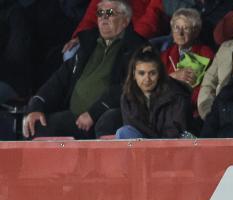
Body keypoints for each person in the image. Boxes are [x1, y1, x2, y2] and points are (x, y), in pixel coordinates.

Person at [23, 0, 147, 139]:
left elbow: (128, 87)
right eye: (100, 13)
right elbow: (58, 81)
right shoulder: (88, 44)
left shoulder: (136, 47)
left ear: (125, 20)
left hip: (106, 114)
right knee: (36, 126)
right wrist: (36, 107)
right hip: (75, 117)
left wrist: (94, 113)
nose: (104, 17)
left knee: (109, 121)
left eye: (110, 13)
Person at [116, 46, 192, 138]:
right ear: (134, 75)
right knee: (124, 132)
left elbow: (175, 132)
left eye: (152, 73)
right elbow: (133, 128)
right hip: (144, 146)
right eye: (141, 73)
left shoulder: (177, 95)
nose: (147, 79)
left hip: (171, 146)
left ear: (159, 74)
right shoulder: (127, 97)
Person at [161, 8, 215, 113]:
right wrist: (173, 76)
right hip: (166, 107)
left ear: (195, 32)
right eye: (176, 28)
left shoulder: (205, 53)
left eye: (186, 28)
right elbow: (155, 83)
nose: (180, 33)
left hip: (191, 110)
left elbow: (206, 88)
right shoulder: (166, 54)